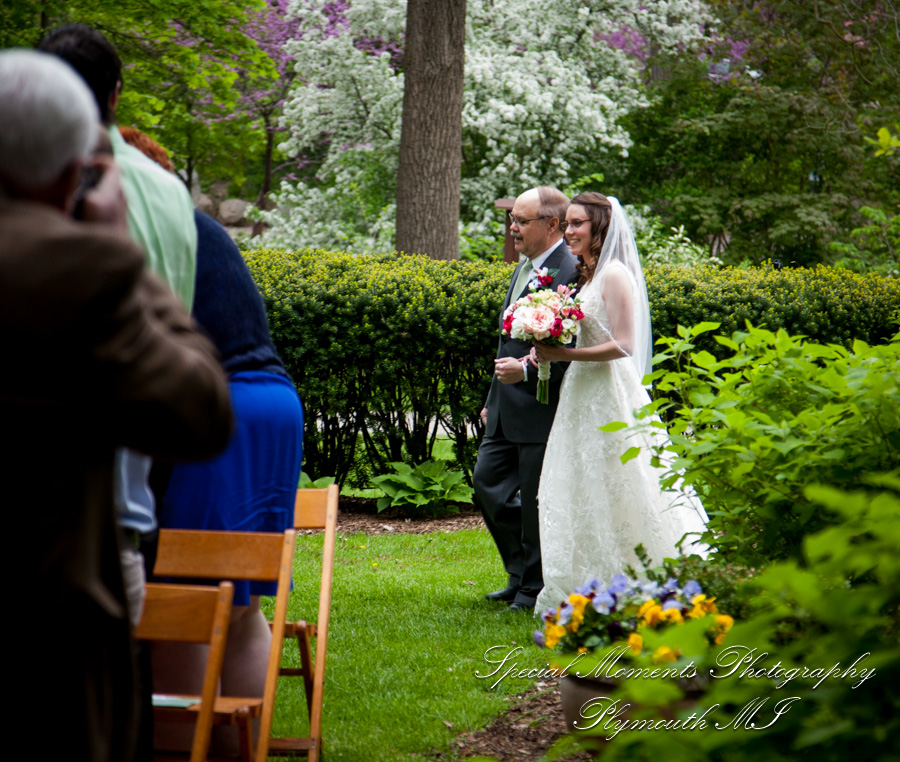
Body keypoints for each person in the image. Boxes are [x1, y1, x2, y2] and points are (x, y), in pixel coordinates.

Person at [0, 49, 232, 762]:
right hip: (42, 632)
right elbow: (197, 411)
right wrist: (108, 242)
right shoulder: (72, 269)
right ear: (74, 172)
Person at [530, 192, 708, 614]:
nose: (569, 231)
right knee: (581, 482)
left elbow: (625, 345)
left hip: (610, 391)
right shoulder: (585, 277)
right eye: (567, 223)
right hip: (580, 392)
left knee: (624, 482)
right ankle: (588, 581)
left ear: (600, 228)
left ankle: (646, 577)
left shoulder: (613, 275)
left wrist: (565, 355)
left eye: (577, 224)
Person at [473, 187, 579, 612]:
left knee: (536, 499)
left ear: (550, 224)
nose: (512, 228)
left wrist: (528, 372)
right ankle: (518, 572)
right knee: (487, 484)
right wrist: (491, 397)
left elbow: (571, 348)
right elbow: (508, 342)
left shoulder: (571, 270)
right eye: (512, 219)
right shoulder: (525, 268)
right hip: (505, 404)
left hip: (541, 405)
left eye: (521, 220)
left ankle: (533, 587)